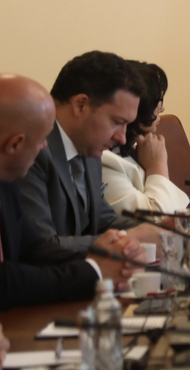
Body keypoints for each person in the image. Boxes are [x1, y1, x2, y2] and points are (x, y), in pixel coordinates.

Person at [0, 74, 143, 310]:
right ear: (15, 144)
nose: (44, 146)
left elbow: (33, 249)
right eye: (41, 140)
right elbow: (5, 280)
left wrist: (106, 258)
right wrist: (93, 271)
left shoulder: (6, 181)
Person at [16, 51, 160, 252]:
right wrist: (131, 238)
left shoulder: (89, 147)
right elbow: (41, 247)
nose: (122, 138)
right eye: (117, 122)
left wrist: (161, 230)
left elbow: (104, 222)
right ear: (80, 105)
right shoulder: (30, 150)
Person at [102, 61, 189, 216]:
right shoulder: (104, 159)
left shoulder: (141, 147)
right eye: (156, 103)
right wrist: (158, 167)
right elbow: (157, 220)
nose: (162, 109)